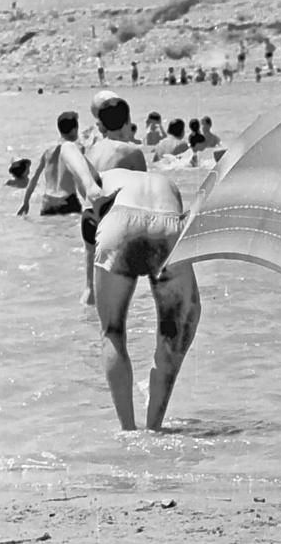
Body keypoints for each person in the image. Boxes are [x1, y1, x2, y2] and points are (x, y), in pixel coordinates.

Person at [85, 167, 201, 430]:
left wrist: (90, 188)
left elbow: (67, 149)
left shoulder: (103, 171)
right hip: (170, 225)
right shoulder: (165, 181)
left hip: (119, 223)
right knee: (174, 332)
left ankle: (127, 430)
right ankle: (154, 427)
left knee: (112, 332)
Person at [78, 94, 146, 305]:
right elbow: (143, 194)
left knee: (91, 289)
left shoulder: (92, 150)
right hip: (114, 221)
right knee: (120, 292)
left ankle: (87, 327)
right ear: (127, 122)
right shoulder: (132, 152)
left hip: (89, 217)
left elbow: (84, 187)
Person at [17, 112, 84, 216]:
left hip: (48, 202)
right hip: (68, 200)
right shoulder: (78, 149)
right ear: (75, 129)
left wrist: (26, 202)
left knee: (49, 231)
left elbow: (34, 178)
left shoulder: (48, 151)